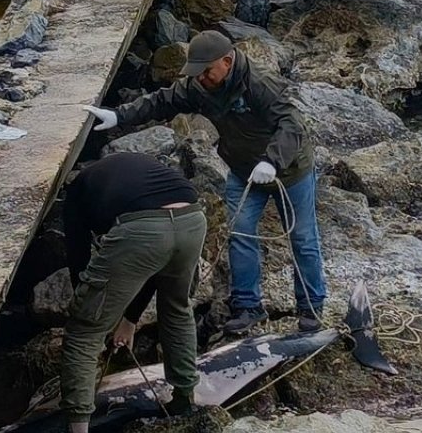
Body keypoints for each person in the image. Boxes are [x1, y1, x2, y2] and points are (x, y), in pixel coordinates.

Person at [84, 29, 327, 334]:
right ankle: (248, 307)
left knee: (303, 239)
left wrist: (272, 161)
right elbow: (164, 100)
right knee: (240, 235)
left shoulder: (260, 84)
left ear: (227, 61)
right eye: (197, 73)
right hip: (243, 171)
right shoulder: (201, 86)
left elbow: (292, 123)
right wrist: (119, 115)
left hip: (290, 171)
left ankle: (311, 308)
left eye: (206, 72)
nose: (201, 78)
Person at [59, 151, 207, 433]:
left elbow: (79, 261)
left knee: (83, 331)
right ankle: (184, 400)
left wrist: (96, 312)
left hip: (143, 230)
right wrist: (128, 319)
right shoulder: (131, 170)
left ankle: (77, 427)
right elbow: (154, 268)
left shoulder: (77, 194)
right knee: (177, 309)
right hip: (192, 219)